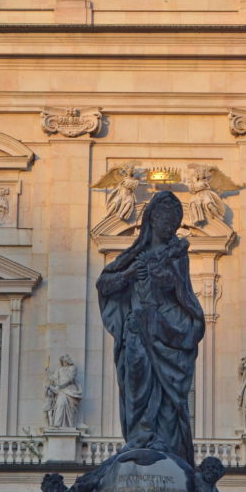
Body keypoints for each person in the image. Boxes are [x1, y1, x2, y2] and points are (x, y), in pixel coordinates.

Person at [96, 191, 205, 465]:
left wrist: (168, 279)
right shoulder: (134, 255)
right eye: (166, 220)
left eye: (175, 223)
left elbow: (184, 295)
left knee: (167, 396)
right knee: (135, 382)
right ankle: (139, 436)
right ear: (152, 220)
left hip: (165, 331)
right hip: (136, 331)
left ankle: (161, 441)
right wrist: (129, 275)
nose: (170, 227)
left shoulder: (177, 256)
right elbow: (104, 284)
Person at [45, 355, 82, 428]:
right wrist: (48, 371)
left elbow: (71, 379)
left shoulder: (73, 368)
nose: (64, 363)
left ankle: (69, 425)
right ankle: (57, 424)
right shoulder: (60, 369)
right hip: (61, 391)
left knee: (70, 409)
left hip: (70, 390)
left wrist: (61, 385)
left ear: (68, 361)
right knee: (60, 404)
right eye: (63, 361)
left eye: (65, 361)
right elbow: (54, 378)